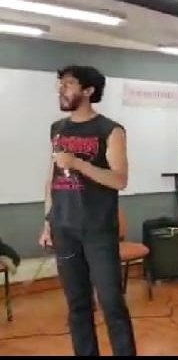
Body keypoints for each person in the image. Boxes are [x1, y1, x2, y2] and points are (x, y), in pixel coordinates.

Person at [38, 65, 137, 356]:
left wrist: (78, 164)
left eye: (68, 84)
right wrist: (48, 221)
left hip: (98, 230)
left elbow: (119, 180)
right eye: (60, 83)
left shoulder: (110, 130)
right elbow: (51, 179)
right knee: (77, 305)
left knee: (111, 303)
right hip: (64, 229)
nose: (60, 89)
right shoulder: (57, 129)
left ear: (89, 90)